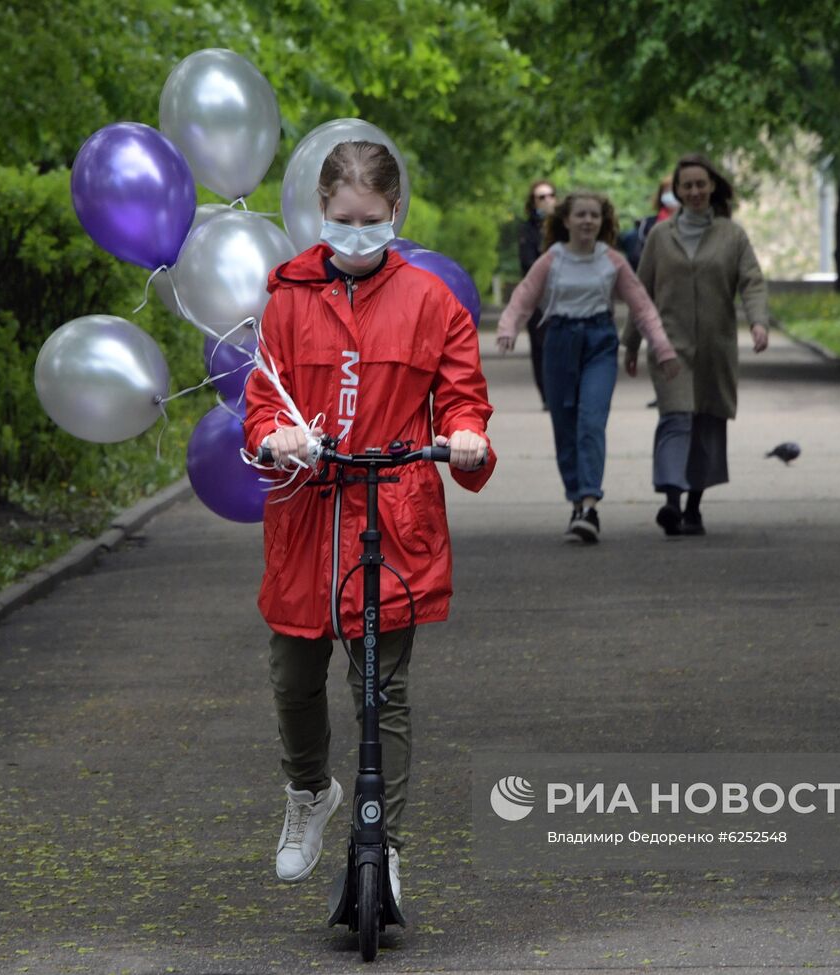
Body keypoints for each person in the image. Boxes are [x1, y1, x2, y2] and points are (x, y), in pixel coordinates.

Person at [243, 140, 495, 907]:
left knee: (383, 691)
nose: (356, 236)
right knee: (293, 678)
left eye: (371, 221)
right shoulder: (286, 299)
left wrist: (468, 437)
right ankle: (309, 791)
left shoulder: (430, 302)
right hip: (307, 519)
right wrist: (273, 437)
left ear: (397, 213)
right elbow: (262, 402)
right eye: (342, 221)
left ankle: (381, 842)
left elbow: (462, 397)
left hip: (392, 513)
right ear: (321, 213)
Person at [497, 189, 680, 542]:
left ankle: (591, 505)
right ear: (565, 221)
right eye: (580, 215)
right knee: (565, 428)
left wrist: (662, 347)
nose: (587, 221)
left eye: (594, 215)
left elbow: (641, 307)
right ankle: (577, 502)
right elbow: (524, 296)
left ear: (603, 221)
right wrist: (508, 327)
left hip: (599, 342)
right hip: (559, 342)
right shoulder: (552, 259)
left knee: (591, 423)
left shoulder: (611, 260)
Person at [624, 154, 770, 537]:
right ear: (677, 191)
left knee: (707, 420)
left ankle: (694, 507)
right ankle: (671, 501)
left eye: (700, 184)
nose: (694, 192)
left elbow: (751, 281)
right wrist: (631, 342)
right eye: (686, 185)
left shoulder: (732, 235)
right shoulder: (660, 236)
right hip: (669, 346)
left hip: (715, 346)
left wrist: (758, 322)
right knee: (676, 416)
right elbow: (641, 292)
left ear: (712, 187)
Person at [519, 180, 557, 408]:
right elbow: (527, 262)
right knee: (540, 345)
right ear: (533, 202)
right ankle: (547, 395)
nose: (547, 200)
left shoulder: (564, 227)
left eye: (550, 195)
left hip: (563, 296)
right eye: (541, 197)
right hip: (538, 297)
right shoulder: (528, 230)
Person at [620, 176, 679, 271]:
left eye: (675, 191)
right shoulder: (644, 227)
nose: (671, 195)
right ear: (661, 195)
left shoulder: (696, 225)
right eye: (667, 191)